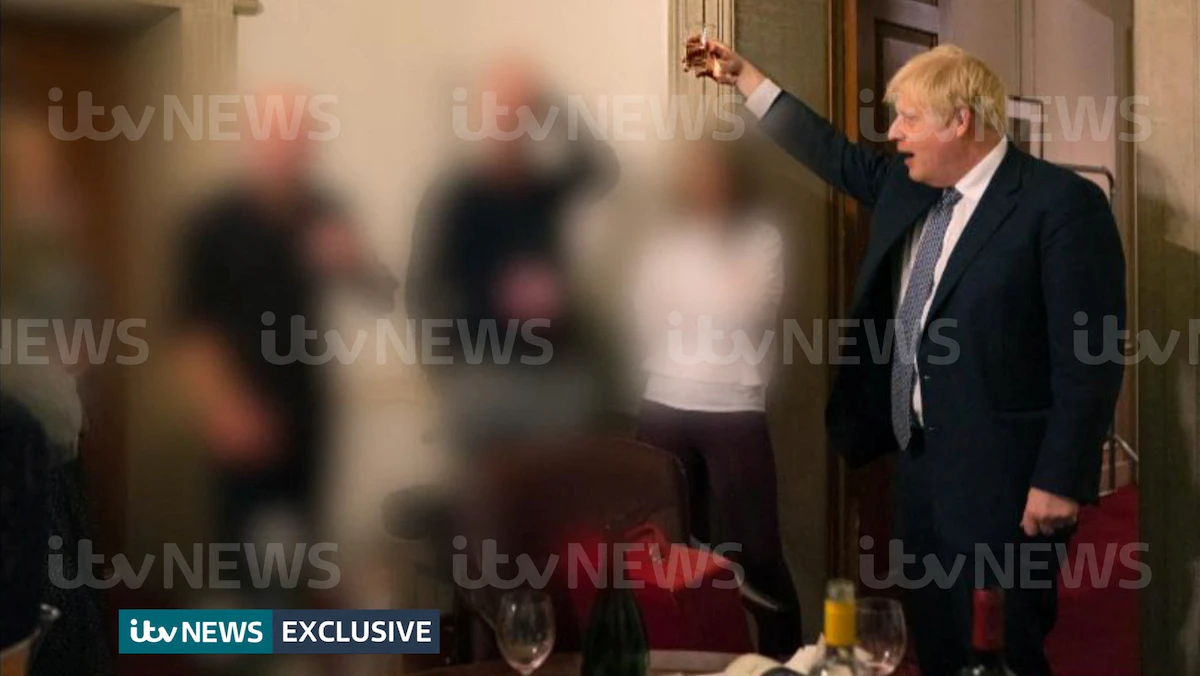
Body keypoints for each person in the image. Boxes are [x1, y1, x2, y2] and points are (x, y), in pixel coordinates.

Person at [686, 42, 1125, 675]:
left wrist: (1059, 478)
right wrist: (746, 79)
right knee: (935, 642)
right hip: (917, 468)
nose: (893, 134)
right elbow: (831, 153)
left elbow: (1090, 359)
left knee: (1001, 650)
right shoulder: (908, 186)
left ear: (961, 121)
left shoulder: (1060, 205)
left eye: (909, 119)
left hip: (1006, 480)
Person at [176, 88, 395, 566]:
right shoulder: (214, 223)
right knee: (245, 562)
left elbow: (383, 291)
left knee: (300, 555)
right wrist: (225, 407)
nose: (288, 149)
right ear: (253, 141)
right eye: (276, 136)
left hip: (308, 412)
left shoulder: (324, 209)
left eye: (298, 137)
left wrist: (354, 259)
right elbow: (193, 330)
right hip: (241, 414)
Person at [631, 136, 801, 656]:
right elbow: (644, 313)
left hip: (734, 405)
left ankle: (784, 661)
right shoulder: (664, 241)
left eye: (713, 171)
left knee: (758, 552)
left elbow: (746, 312)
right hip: (663, 400)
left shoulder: (762, 240)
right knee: (661, 551)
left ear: (731, 178)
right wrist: (715, 298)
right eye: (694, 172)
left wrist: (687, 304)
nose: (703, 182)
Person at [405, 61, 618, 454]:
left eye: (521, 113)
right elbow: (422, 288)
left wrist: (550, 105)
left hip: (555, 377)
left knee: (562, 487)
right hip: (482, 377)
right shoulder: (456, 196)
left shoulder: (541, 190)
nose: (511, 123)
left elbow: (601, 166)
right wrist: (444, 372)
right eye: (501, 111)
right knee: (487, 493)